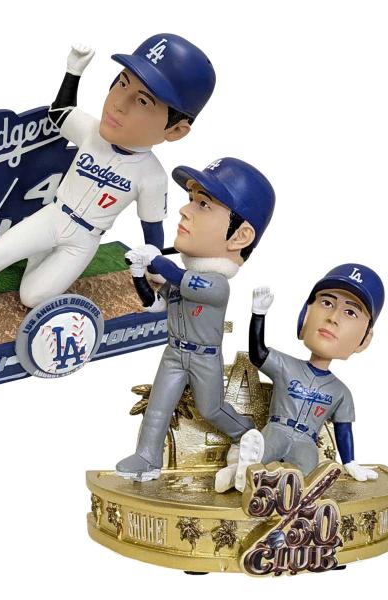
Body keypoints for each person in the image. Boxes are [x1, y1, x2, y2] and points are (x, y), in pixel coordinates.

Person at [0, 34, 216, 312]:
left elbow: (151, 227)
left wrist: (155, 265)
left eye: (143, 101)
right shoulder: (92, 131)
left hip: (83, 240)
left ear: (175, 130)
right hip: (54, 214)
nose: (118, 105)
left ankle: (39, 256)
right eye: (122, 83)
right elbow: (59, 113)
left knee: (31, 296)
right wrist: (73, 71)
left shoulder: (152, 175)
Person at [115, 157, 275, 481]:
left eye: (203, 204)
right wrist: (138, 274)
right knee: (158, 407)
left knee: (211, 408)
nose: (184, 211)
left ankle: (247, 434)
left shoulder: (216, 284)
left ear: (240, 236)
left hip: (204, 358)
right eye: (191, 199)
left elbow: (179, 277)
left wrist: (157, 260)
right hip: (174, 353)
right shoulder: (181, 276)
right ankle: (147, 458)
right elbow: (154, 305)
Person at [218, 265, 384, 493]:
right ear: (305, 315)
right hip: (278, 428)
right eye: (327, 303)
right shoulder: (287, 366)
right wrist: (258, 314)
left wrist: (350, 462)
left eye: (350, 312)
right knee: (263, 450)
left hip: (307, 440)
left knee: (306, 472)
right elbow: (258, 354)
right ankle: (240, 470)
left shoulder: (341, 392)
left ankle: (253, 475)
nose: (333, 318)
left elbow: (344, 430)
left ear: (364, 340)